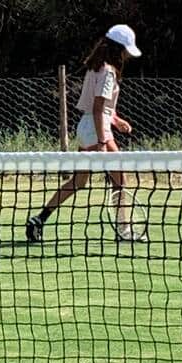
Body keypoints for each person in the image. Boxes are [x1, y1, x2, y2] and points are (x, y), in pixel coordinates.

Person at [26, 24, 141, 243]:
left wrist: (117, 120)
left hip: (87, 127)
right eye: (126, 49)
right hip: (97, 131)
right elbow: (97, 109)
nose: (127, 54)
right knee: (121, 180)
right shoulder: (108, 71)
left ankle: (39, 219)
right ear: (118, 48)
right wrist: (102, 141)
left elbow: (101, 108)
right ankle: (124, 231)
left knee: (78, 182)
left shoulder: (96, 67)